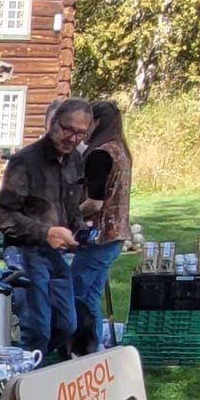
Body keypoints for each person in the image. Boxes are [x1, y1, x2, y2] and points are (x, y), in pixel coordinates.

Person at [0, 99, 94, 361]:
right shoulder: (25, 162)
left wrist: (81, 230)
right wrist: (45, 233)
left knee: (67, 324)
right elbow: (0, 215)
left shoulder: (76, 161)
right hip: (24, 252)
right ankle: (25, 392)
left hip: (55, 254)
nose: (72, 138)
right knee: (36, 329)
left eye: (81, 134)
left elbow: (72, 209)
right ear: (53, 123)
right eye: (67, 130)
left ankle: (36, 373)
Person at [71, 101, 132, 353]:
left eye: (88, 122)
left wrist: (68, 215)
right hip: (116, 236)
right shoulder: (121, 151)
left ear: (97, 122)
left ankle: (85, 351)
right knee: (91, 298)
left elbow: (95, 203)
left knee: (78, 297)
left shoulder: (100, 154)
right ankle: (93, 352)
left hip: (99, 237)